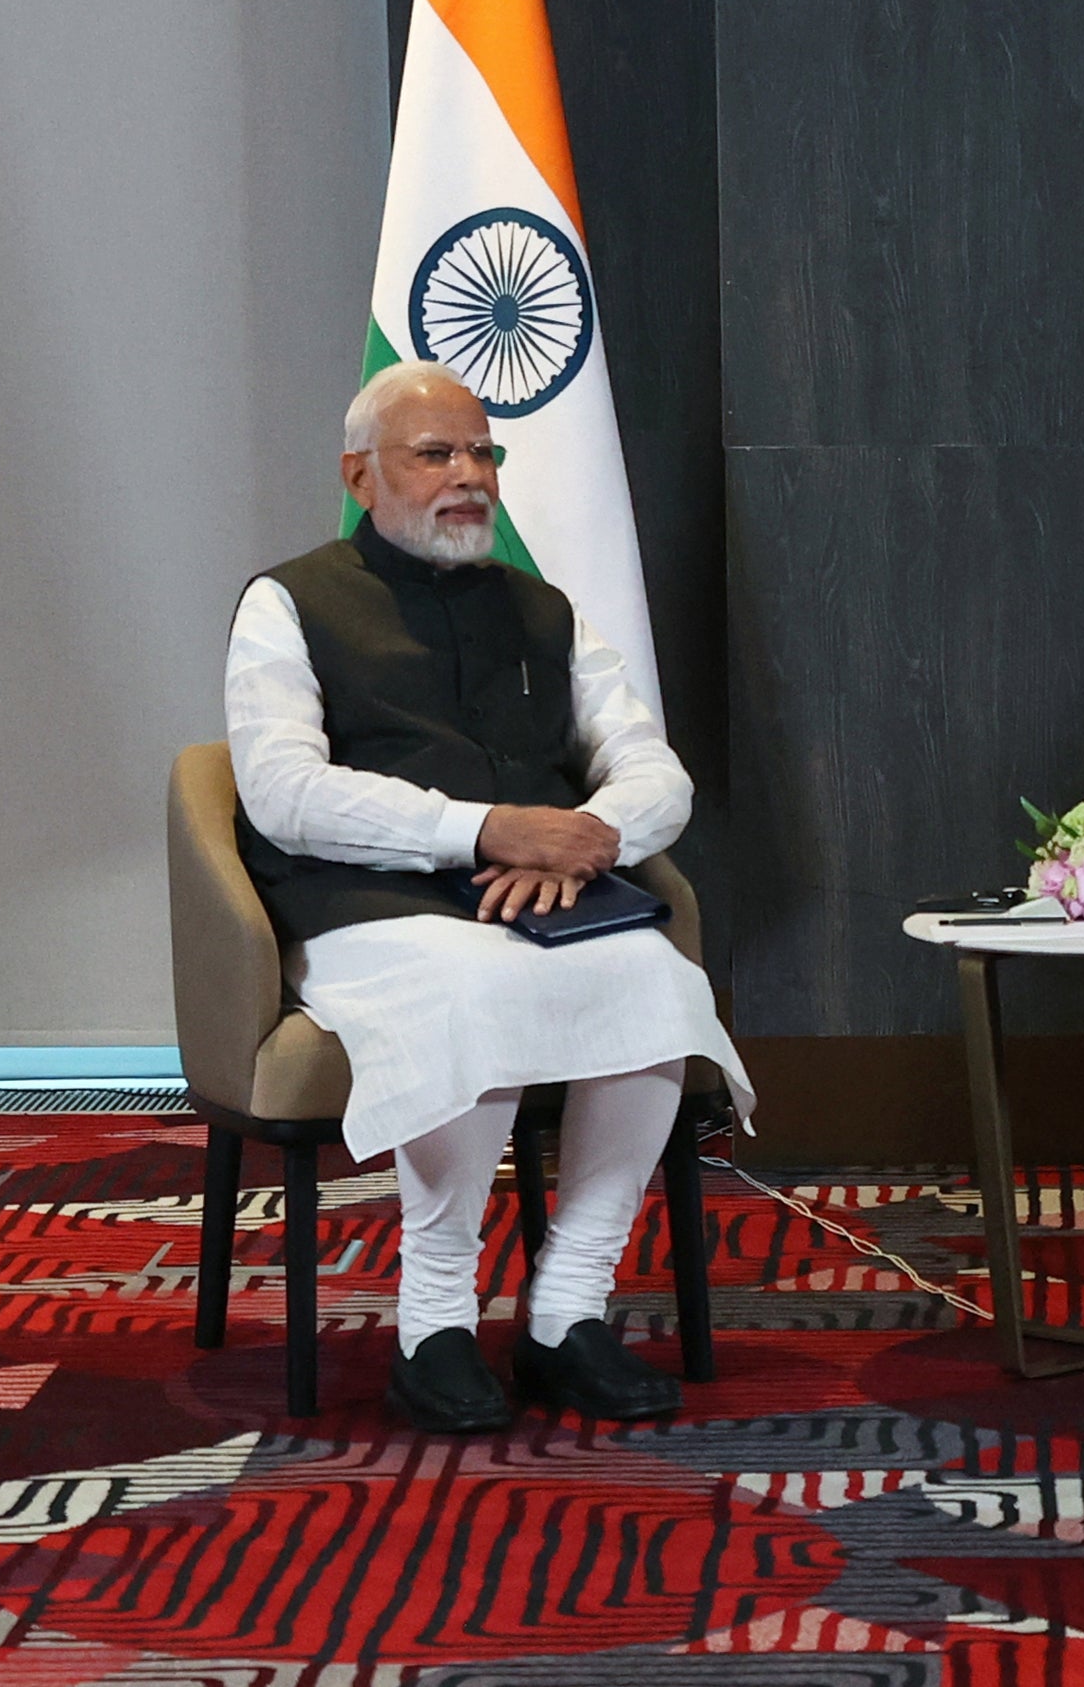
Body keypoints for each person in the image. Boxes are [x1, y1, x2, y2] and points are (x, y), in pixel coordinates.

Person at [225, 359, 755, 1435]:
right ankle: (435, 1326)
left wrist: (590, 835)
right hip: (368, 906)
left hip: (543, 899)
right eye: (436, 454)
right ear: (360, 474)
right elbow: (281, 791)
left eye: (482, 453)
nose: (467, 475)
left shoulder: (544, 611)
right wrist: (477, 828)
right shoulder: (288, 601)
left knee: (655, 977)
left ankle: (568, 1308)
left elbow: (656, 769)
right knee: (467, 985)